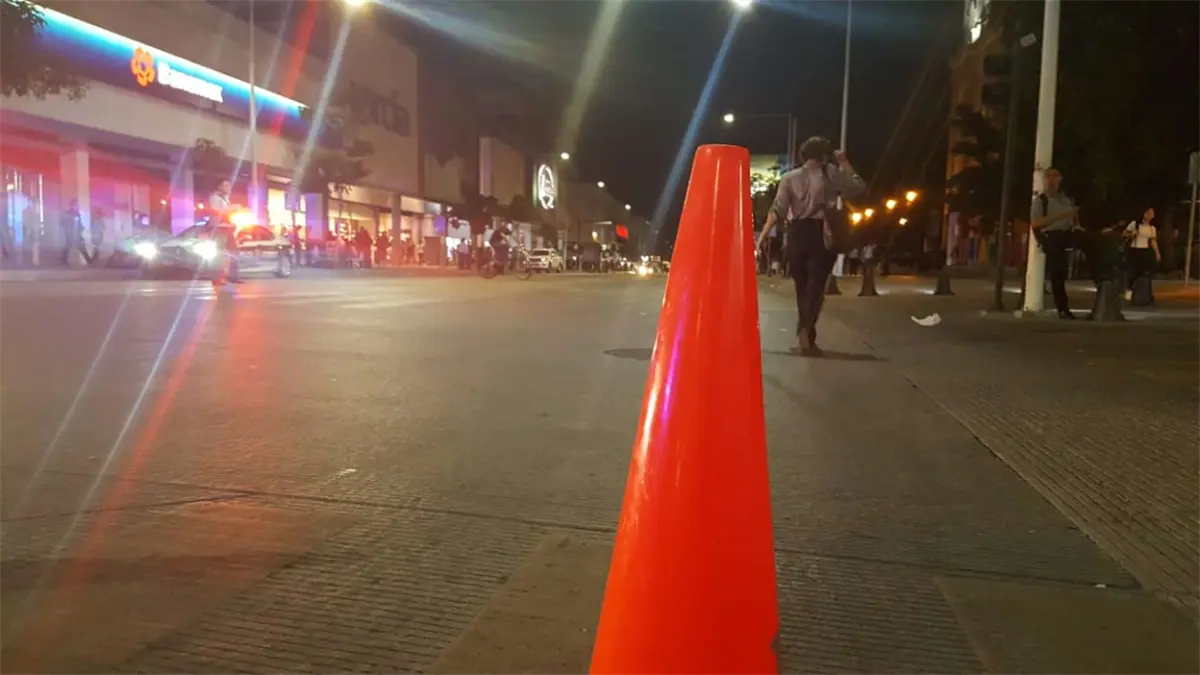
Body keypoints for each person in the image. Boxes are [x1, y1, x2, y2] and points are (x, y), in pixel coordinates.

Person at [756, 136, 866, 356]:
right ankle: (807, 330)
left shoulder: (789, 178)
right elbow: (858, 187)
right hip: (822, 234)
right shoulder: (831, 174)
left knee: (801, 288)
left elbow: (778, 209)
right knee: (816, 287)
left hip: (797, 234)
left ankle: (806, 331)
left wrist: (762, 236)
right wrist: (844, 162)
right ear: (824, 155)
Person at [1029, 168, 1081, 319]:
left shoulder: (1066, 200)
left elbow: (1073, 218)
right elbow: (1036, 223)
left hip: (1067, 233)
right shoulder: (1041, 201)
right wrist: (1060, 216)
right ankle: (1062, 307)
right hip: (1051, 235)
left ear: (1060, 179)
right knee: (1056, 270)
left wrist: (1076, 225)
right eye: (1049, 176)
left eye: (1055, 176)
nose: (1051, 179)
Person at [1123, 207, 1161, 303]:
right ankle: (1129, 290)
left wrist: (1157, 253)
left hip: (1145, 250)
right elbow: (1124, 234)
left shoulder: (1152, 228)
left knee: (1145, 272)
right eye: (1149, 213)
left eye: (1152, 213)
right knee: (1133, 272)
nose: (1151, 215)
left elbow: (1153, 241)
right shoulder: (1135, 224)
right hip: (1135, 249)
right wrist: (1132, 234)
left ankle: (1145, 294)